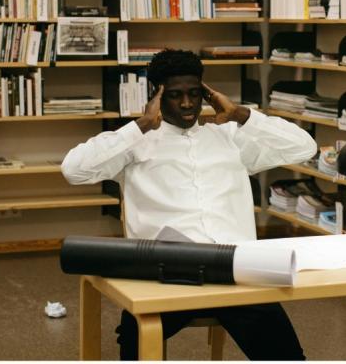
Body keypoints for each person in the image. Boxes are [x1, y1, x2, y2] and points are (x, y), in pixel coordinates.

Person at [62, 48, 317, 360]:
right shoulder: (135, 144)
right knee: (136, 344)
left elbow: (305, 147)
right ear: (156, 96)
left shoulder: (228, 137)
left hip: (235, 271)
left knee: (288, 356)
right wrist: (140, 125)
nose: (186, 103)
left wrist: (240, 115)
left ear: (206, 94)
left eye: (195, 94)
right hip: (165, 273)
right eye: (175, 95)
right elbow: (73, 169)